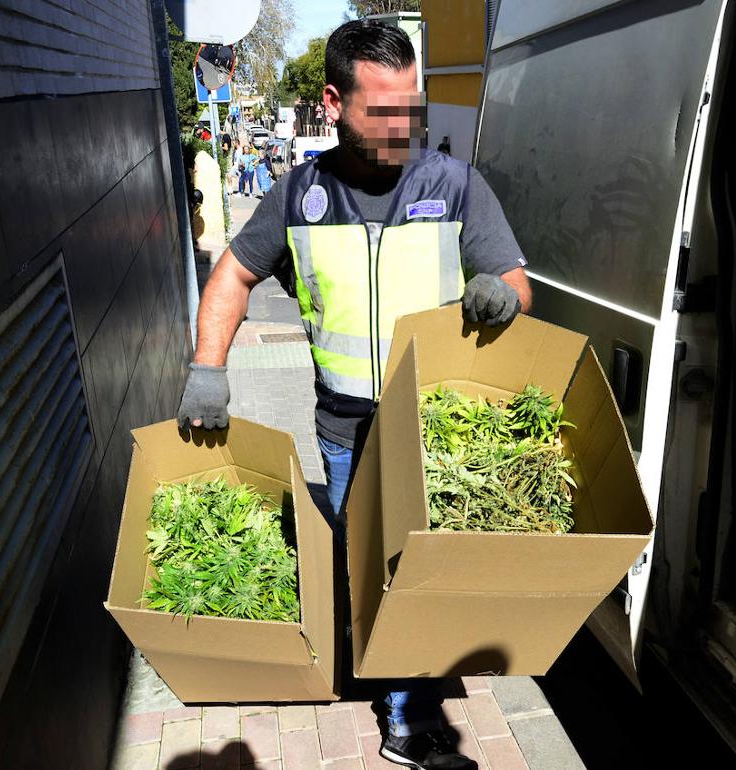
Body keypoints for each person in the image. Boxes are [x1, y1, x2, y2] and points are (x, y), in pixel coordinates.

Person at [177, 19, 530, 770]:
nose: (404, 126)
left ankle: (409, 715)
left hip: (431, 431)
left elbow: (515, 282)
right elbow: (233, 275)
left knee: (415, 571)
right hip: (340, 430)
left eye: (412, 107)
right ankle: (369, 656)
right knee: (359, 563)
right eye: (383, 111)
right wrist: (209, 368)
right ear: (334, 103)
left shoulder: (455, 186)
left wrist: (501, 296)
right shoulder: (298, 196)